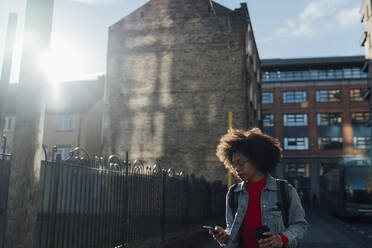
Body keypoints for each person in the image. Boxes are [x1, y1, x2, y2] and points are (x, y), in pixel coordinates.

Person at [209, 128, 308, 248]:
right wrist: (224, 237)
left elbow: (300, 224)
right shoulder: (234, 193)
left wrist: (281, 239)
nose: (236, 169)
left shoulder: (285, 190)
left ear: (257, 159)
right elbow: (232, 230)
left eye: (240, 163)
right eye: (233, 165)